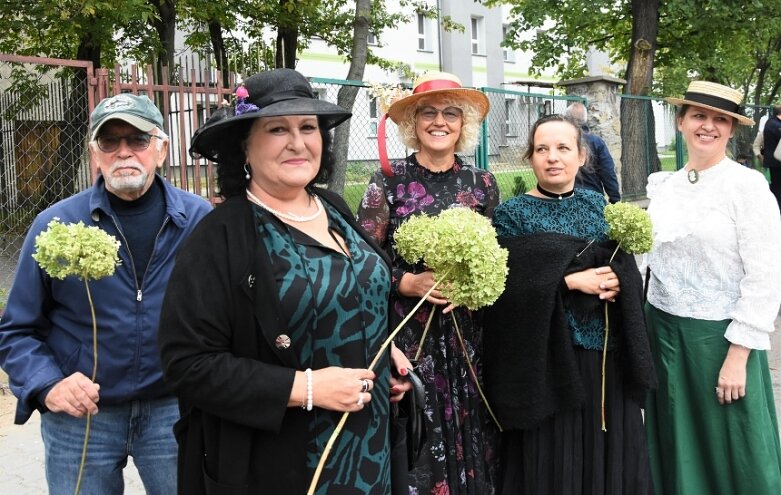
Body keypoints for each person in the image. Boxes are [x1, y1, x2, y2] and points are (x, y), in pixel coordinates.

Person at [157, 68, 412, 495]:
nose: (298, 142)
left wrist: (383, 351)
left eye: (308, 127)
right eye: (278, 129)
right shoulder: (220, 236)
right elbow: (187, 364)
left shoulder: (333, 208)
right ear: (244, 146)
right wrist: (306, 388)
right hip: (284, 463)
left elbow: (354, 295)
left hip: (369, 450)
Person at [0, 93, 212, 494]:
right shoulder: (57, 224)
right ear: (94, 153)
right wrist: (48, 384)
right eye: (109, 142)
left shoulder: (199, 220)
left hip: (174, 408)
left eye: (138, 140)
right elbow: (16, 331)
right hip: (81, 418)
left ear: (162, 148)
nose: (124, 152)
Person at [484, 114, 657, 495]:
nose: (552, 157)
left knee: (604, 456)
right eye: (542, 149)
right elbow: (502, 292)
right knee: (552, 463)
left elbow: (626, 269)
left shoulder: (602, 209)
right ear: (530, 158)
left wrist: (618, 281)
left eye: (563, 148)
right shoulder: (510, 216)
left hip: (602, 358)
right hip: (545, 360)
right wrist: (565, 281)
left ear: (582, 157)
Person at [357, 71, 500, 494]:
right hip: (408, 333)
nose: (440, 121)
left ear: (464, 125)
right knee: (419, 424)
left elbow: (493, 256)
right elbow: (363, 259)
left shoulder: (482, 183)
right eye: (429, 113)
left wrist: (472, 288)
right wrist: (406, 282)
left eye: (451, 113)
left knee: (469, 420)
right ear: (413, 125)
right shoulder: (387, 179)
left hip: (466, 334)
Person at [644, 81, 781, 494]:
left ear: (731, 130)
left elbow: (765, 275)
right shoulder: (663, 186)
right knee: (675, 437)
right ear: (681, 122)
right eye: (699, 116)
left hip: (719, 339)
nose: (708, 126)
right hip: (663, 334)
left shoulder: (747, 187)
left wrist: (739, 354)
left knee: (734, 445)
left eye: (720, 119)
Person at [565, 101, 621, 203]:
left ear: (566, 119)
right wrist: (615, 199)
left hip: (565, 197)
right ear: (585, 119)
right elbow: (607, 172)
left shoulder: (560, 141)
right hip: (592, 198)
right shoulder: (596, 142)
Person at [762, 104, 781, 210]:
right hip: (777, 163)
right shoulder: (775, 125)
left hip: (775, 162)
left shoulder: (772, 122)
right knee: (777, 190)